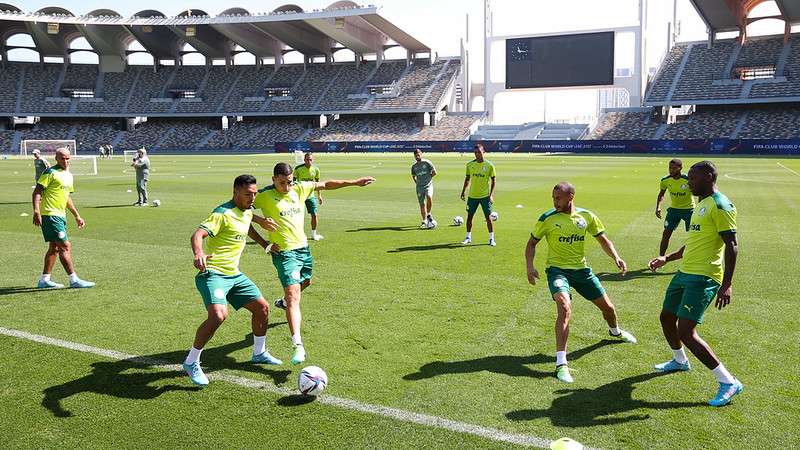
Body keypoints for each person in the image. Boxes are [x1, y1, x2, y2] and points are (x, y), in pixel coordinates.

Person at [254, 162, 374, 365]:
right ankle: (298, 345)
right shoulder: (264, 196)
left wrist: (355, 182)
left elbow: (326, 184)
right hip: (284, 253)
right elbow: (241, 211)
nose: (286, 187)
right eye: (282, 183)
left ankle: (283, 303)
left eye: (289, 182)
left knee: (306, 282)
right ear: (273, 179)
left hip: (303, 249)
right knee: (294, 297)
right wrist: (263, 234)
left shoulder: (299, 188)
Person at [648, 161, 742, 406]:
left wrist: (727, 284)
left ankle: (728, 382)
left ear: (709, 177)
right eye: (689, 178)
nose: (689, 182)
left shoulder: (720, 205)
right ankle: (680, 361)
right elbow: (694, 242)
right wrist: (666, 258)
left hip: (703, 277)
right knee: (666, 317)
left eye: (693, 178)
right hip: (684, 273)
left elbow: (732, 246)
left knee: (686, 331)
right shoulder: (702, 205)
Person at [525, 182, 636, 383]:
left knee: (608, 309)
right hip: (557, 271)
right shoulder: (547, 218)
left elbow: (603, 240)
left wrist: (616, 258)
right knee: (564, 307)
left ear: (571, 197)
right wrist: (529, 266)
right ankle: (561, 364)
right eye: (553, 197)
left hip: (582, 272)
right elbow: (532, 243)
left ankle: (615, 332)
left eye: (558, 197)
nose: (555, 201)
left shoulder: (586, 217)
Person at [183, 174, 283, 386]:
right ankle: (191, 361)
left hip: (234, 275)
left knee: (262, 309)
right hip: (213, 274)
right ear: (235, 192)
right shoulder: (221, 213)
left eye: (254, 194)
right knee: (218, 316)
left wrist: (265, 243)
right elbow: (198, 234)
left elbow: (247, 225)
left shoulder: (246, 210)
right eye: (248, 194)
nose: (252, 198)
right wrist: (198, 253)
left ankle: (259, 352)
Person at [32, 147, 95, 289]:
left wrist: (76, 215)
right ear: (56, 159)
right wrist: (36, 211)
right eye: (62, 158)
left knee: (54, 247)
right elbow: (36, 192)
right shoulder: (50, 172)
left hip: (60, 215)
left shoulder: (68, 175)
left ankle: (44, 280)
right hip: (50, 215)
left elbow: (67, 197)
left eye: (67, 158)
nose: (65, 161)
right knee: (65, 246)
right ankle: (73, 280)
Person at [656, 159, 694, 256]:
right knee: (666, 234)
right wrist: (658, 207)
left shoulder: (688, 179)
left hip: (689, 210)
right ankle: (660, 257)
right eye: (670, 168)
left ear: (680, 168)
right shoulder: (665, 180)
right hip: (674, 210)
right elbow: (661, 194)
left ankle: (690, 257)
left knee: (693, 236)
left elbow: (699, 192)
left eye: (674, 168)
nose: (671, 170)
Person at [460, 143, 496, 246]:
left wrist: (491, 195)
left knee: (488, 217)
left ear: (483, 152)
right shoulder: (470, 165)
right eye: (475, 153)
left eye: (479, 152)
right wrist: (463, 191)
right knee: (469, 217)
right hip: (472, 196)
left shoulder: (489, 165)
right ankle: (468, 237)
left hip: (485, 196)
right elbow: (467, 179)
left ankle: (491, 238)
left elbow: (494, 181)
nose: (477, 154)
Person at [293, 152, 324, 240]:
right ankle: (296, 234)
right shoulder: (298, 169)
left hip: (310, 195)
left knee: (314, 214)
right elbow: (292, 183)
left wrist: (319, 196)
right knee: (296, 215)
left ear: (312, 160)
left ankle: (313, 234)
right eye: (307, 159)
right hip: (300, 196)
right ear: (304, 160)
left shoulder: (316, 170)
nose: (309, 161)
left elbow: (318, 184)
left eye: (310, 159)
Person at [411, 148, 437, 228]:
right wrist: (417, 182)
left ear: (421, 154)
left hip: (428, 185)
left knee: (429, 197)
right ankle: (424, 220)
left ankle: (428, 213)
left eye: (418, 155)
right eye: (416, 156)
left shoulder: (427, 162)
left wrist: (428, 178)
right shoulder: (414, 166)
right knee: (422, 204)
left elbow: (434, 172)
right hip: (419, 187)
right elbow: (413, 176)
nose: (417, 157)